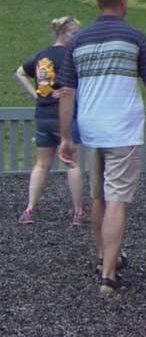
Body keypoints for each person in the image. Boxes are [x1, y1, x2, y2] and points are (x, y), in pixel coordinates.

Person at [58, 0, 146, 297]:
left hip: (92, 128)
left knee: (98, 196)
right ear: (123, 0)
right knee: (117, 200)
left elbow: (66, 91)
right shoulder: (136, 38)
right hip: (123, 128)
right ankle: (108, 276)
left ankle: (101, 256)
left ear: (98, 2)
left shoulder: (77, 42)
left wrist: (66, 136)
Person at [15, 16, 86, 227]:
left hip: (42, 115)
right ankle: (78, 212)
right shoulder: (70, 56)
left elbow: (20, 73)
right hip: (63, 117)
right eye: (74, 33)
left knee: (41, 164)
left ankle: (29, 210)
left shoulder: (42, 55)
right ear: (64, 33)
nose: (77, 37)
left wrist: (37, 95)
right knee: (72, 163)